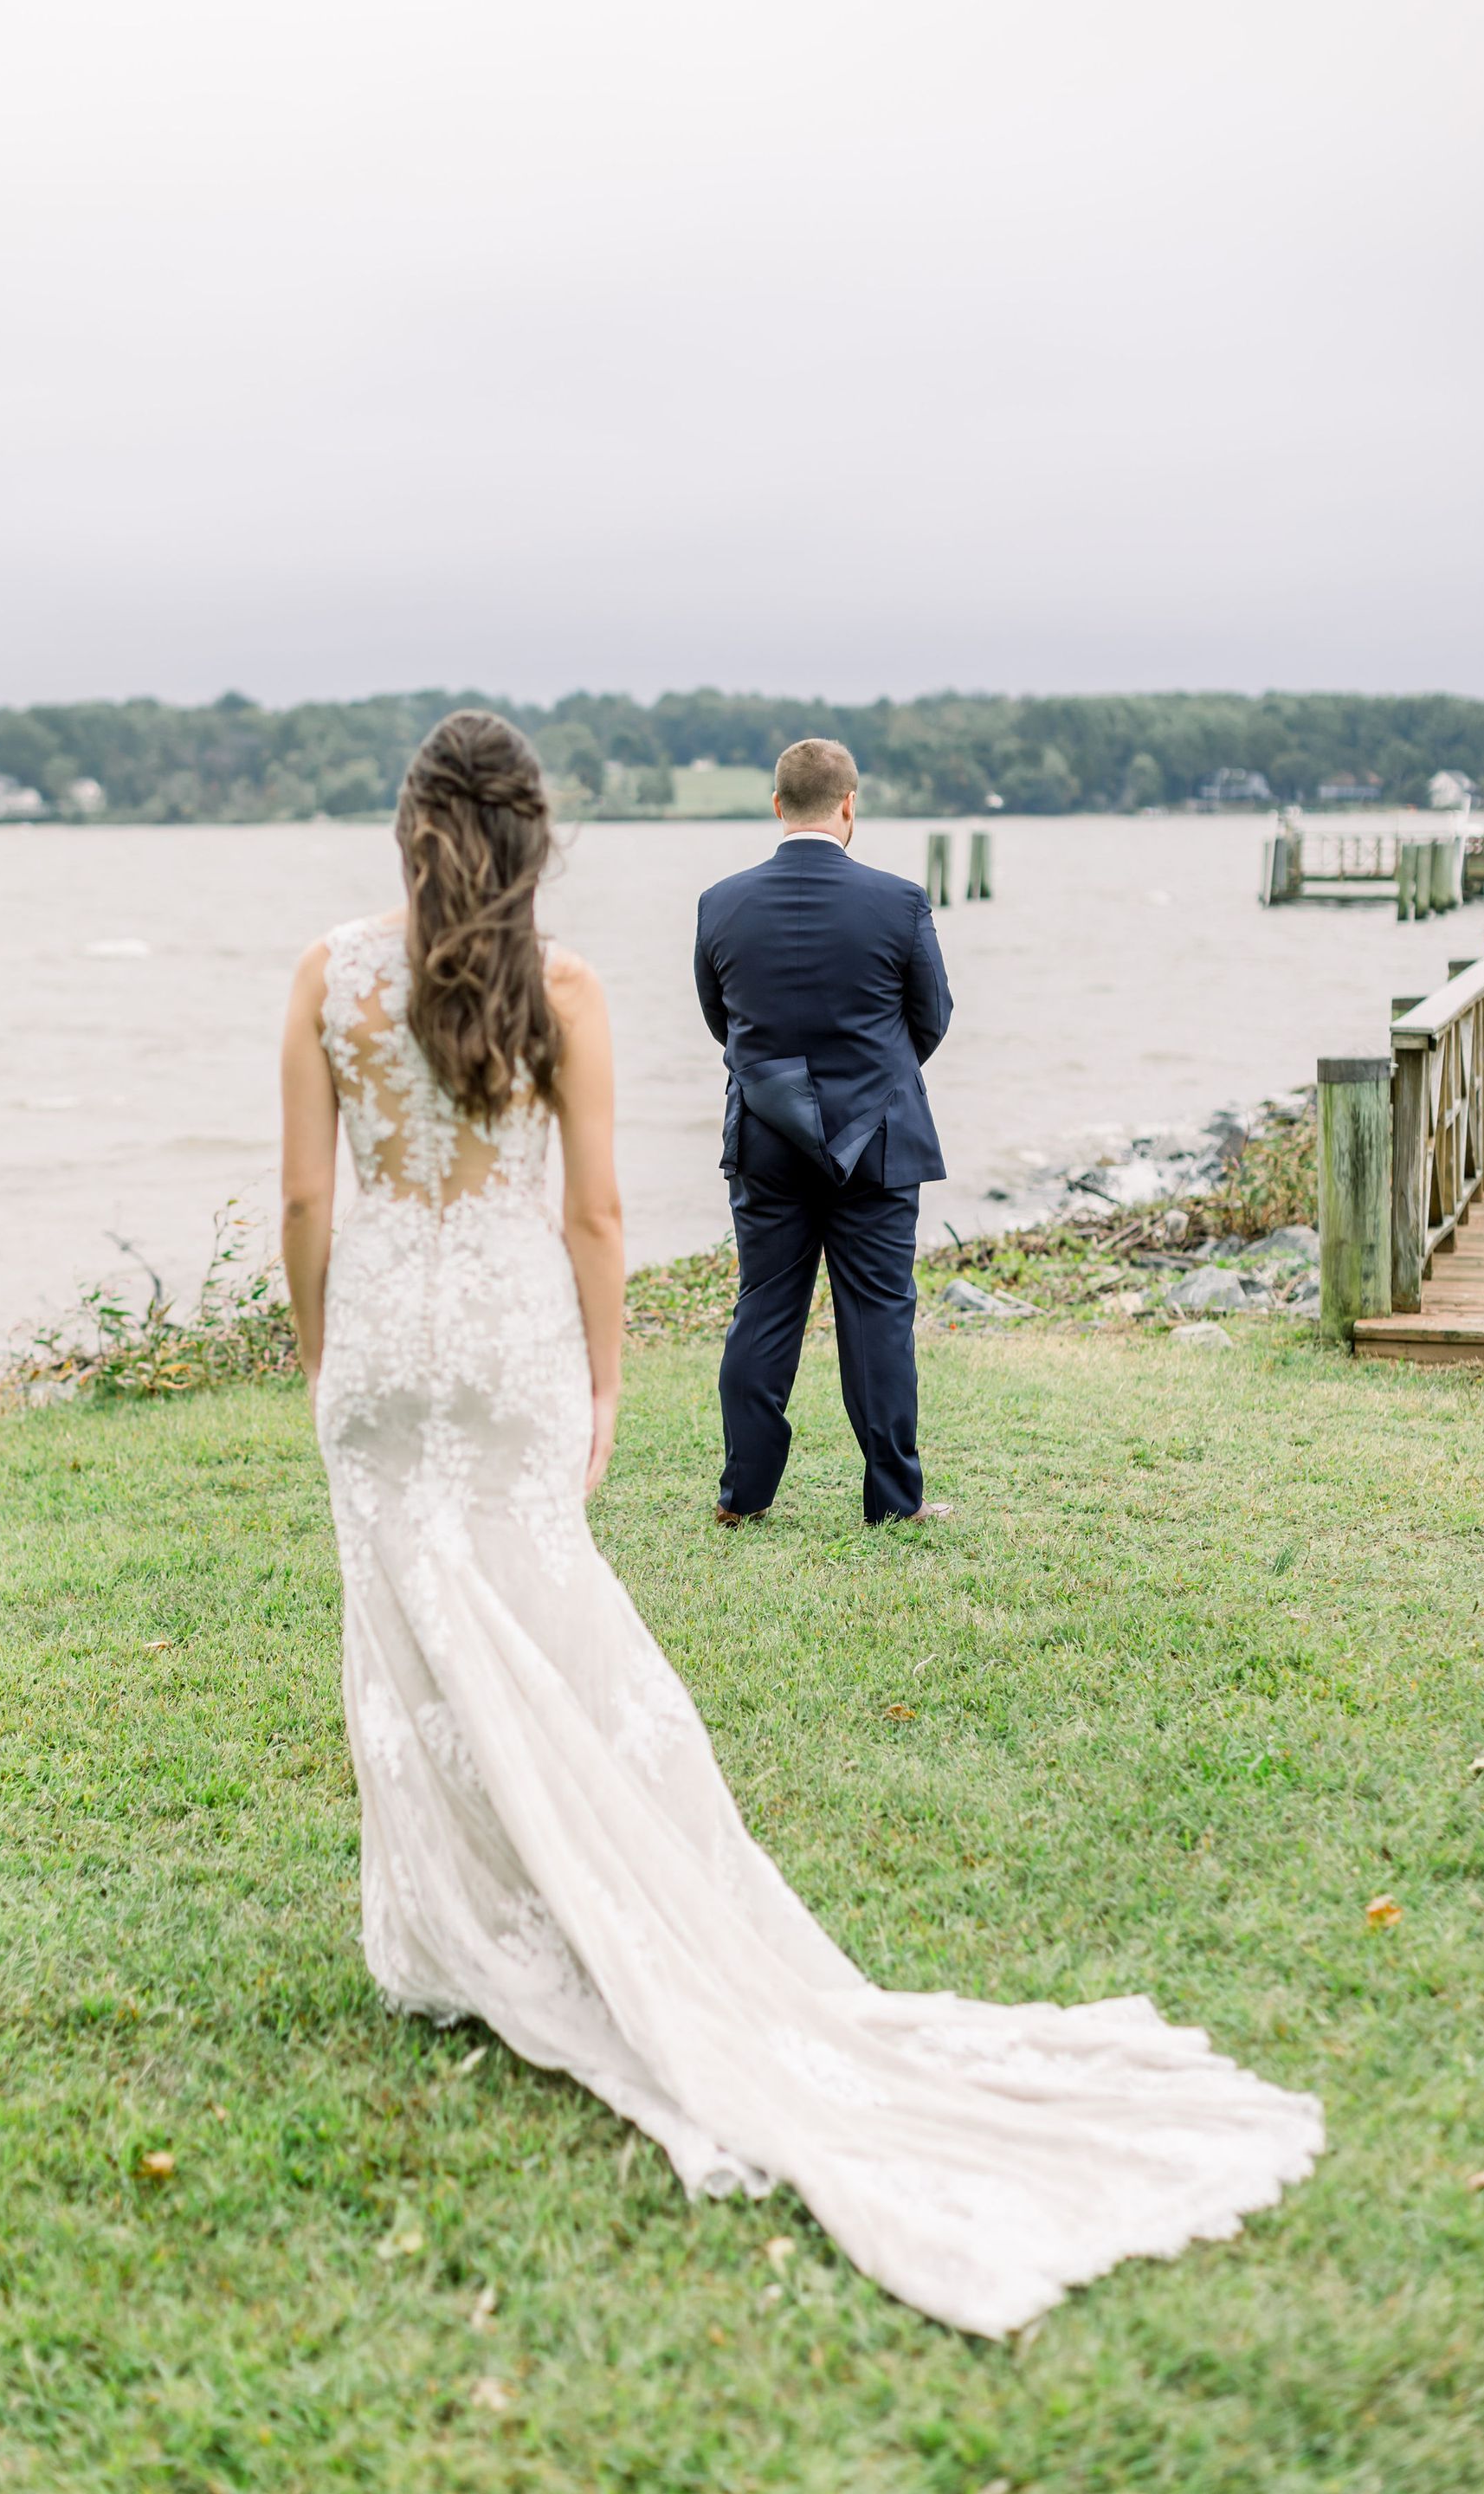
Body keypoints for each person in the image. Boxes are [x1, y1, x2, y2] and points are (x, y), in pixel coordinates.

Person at [279, 707, 1320, 2337]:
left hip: (530, 1266)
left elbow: (316, 1193)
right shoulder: (680, 954)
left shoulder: (408, 959)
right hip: (668, 1241)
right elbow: (633, 1186)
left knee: (497, 1547)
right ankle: (879, 1498)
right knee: (800, 1385)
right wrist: (603, 1377)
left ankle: (481, 1872)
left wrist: (322, 1346)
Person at [694, 738, 952, 1526]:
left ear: (778, 805)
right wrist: (876, 1077)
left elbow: (721, 1021)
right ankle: (894, 1503)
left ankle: (743, 1497)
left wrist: (781, 1084)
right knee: (879, 1315)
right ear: (849, 804)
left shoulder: (720, 903)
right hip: (877, 1140)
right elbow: (932, 1017)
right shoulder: (900, 901)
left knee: (765, 1307)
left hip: (766, 1139)